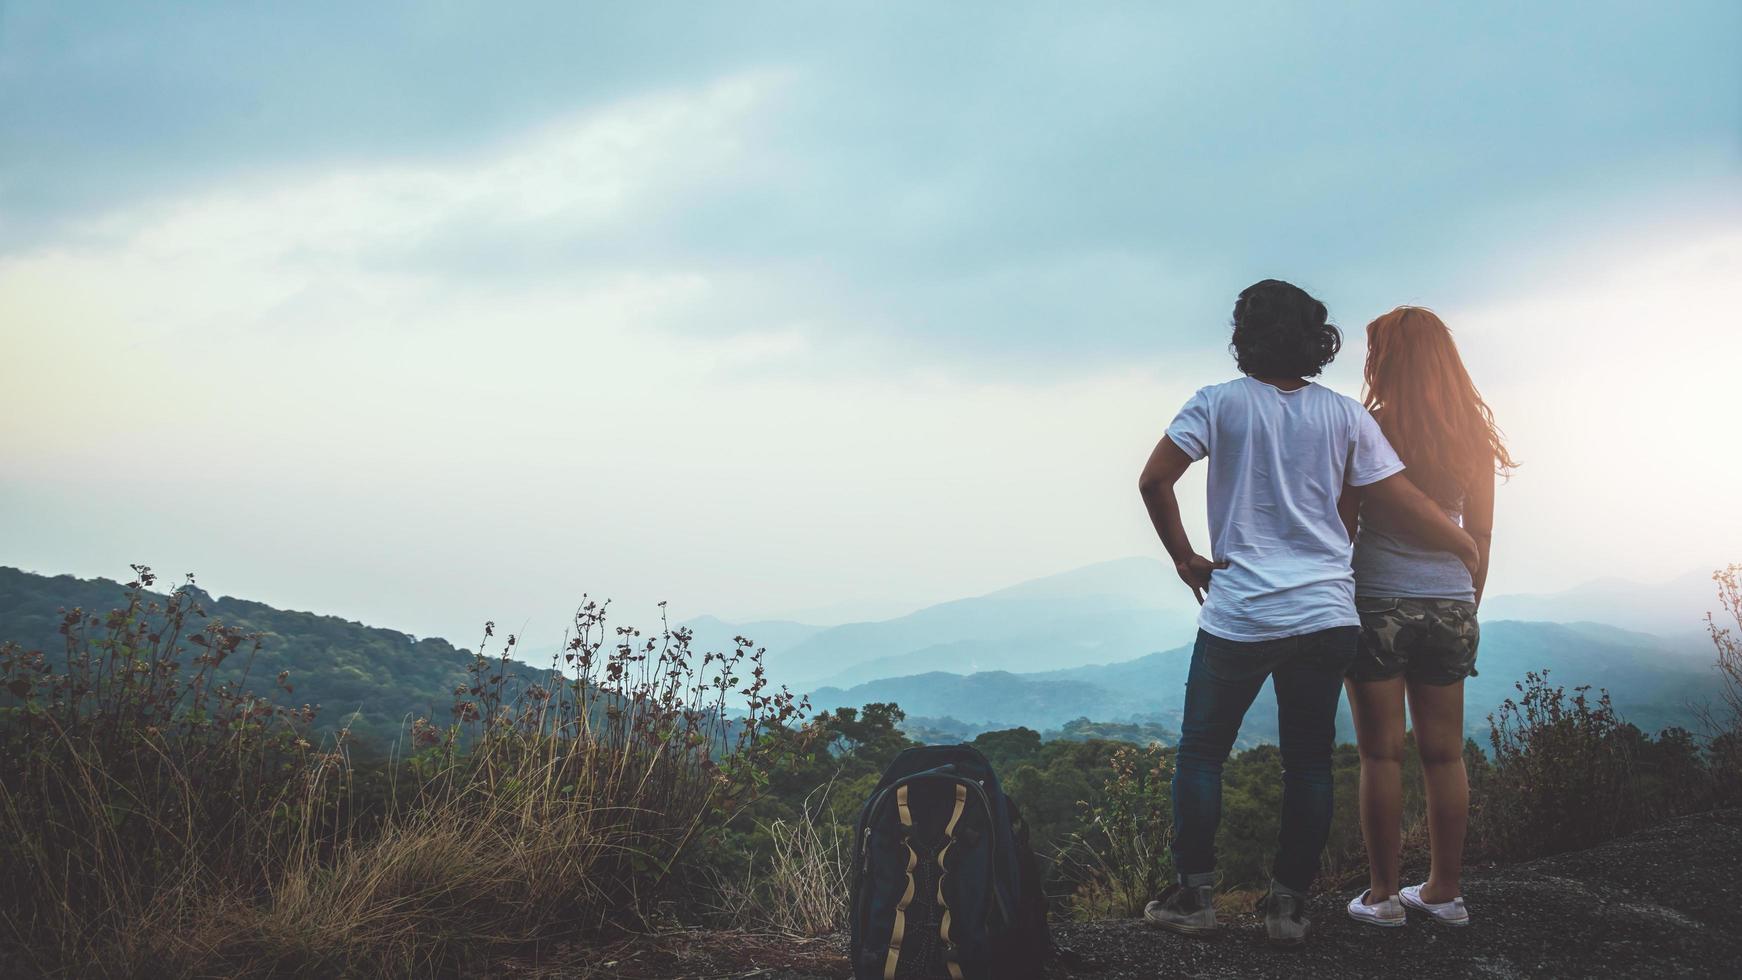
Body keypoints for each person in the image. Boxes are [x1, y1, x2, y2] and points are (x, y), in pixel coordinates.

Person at [1136, 280, 1478, 946]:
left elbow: (1154, 481)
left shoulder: (1216, 404)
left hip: (1240, 613)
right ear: (1317, 341)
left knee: (1203, 756)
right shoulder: (1346, 415)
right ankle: (1288, 910)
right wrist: (1461, 539)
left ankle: (1193, 898)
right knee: (1309, 763)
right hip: (1327, 613)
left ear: (1245, 337)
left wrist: (1185, 558)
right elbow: (1394, 495)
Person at [1340, 307, 1515, 929]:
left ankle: (1383, 896)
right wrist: (1467, 602)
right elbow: (1483, 536)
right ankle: (1445, 891)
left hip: (1378, 602)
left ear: (1385, 361)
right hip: (1452, 604)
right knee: (1445, 756)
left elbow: (1345, 522)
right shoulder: (1472, 435)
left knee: (1381, 755)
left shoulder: (1369, 427)